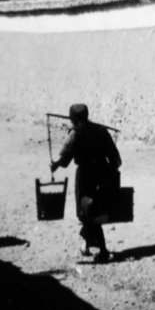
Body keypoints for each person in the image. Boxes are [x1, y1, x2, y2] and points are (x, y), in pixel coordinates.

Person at [50, 103, 122, 263]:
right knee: (94, 210)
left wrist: (55, 165)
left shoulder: (75, 133)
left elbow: (65, 160)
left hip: (85, 177)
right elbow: (116, 159)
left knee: (86, 212)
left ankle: (102, 250)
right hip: (102, 175)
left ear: (73, 119)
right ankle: (86, 246)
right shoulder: (102, 131)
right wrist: (108, 174)